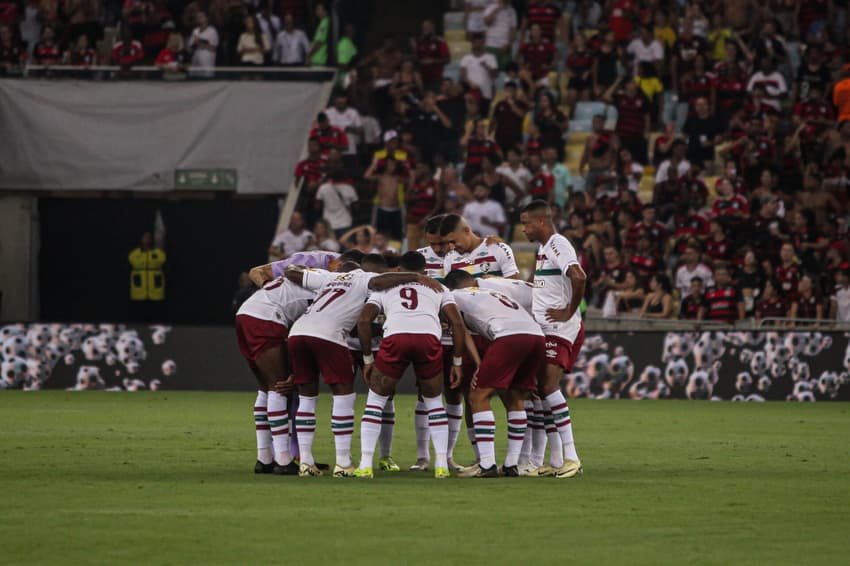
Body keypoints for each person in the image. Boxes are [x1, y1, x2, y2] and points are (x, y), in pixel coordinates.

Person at [283, 257, 441, 477]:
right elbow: (380, 282)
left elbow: (291, 273)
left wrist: (294, 266)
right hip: (330, 335)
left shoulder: (329, 277)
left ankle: (306, 463)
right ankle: (343, 463)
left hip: (298, 333)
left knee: (307, 398)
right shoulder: (365, 278)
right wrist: (416, 276)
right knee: (344, 397)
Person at [355, 251, 467, 479]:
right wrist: (457, 362)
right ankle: (441, 466)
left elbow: (364, 320)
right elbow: (457, 323)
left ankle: (365, 464)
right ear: (425, 271)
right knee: (434, 403)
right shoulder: (439, 287)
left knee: (375, 401)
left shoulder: (384, 287)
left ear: (398, 270)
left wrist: (367, 359)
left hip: (396, 337)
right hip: (428, 339)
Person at [444, 270, 545, 477]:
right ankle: (511, 465)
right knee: (516, 397)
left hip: (508, 336)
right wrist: (482, 365)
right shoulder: (490, 293)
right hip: (536, 336)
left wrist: (478, 365)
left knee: (478, 395)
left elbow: (461, 331)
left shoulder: (453, 297)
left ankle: (487, 464)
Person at [518, 200, 585, 478]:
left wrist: (569, 311)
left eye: (527, 223)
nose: (523, 229)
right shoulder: (544, 249)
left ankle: (572, 456)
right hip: (545, 328)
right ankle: (557, 460)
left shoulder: (558, 244)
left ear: (542, 222)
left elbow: (579, 276)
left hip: (560, 329)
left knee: (547, 386)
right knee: (541, 390)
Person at [235, 274, 314, 475]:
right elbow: (306, 335)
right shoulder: (326, 290)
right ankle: (283, 458)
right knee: (279, 387)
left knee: (265, 388)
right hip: (266, 318)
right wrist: (297, 373)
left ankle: (264, 457)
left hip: (245, 314)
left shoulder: (304, 279)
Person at [440, 213, 520, 280]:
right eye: (447, 243)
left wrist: (497, 281)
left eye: (453, 241)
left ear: (466, 231)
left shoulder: (498, 248)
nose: (451, 247)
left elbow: (516, 284)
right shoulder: (449, 258)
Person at [128, 232, 166, 322]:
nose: (147, 239)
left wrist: (145, 262)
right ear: (141, 239)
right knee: (139, 309)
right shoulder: (135, 252)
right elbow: (134, 262)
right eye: (145, 237)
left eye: (149, 237)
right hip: (140, 285)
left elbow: (160, 261)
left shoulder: (158, 252)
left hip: (155, 285)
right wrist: (148, 262)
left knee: (156, 309)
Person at [406, 161, 443, 250]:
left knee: (429, 250)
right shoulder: (414, 183)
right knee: (412, 250)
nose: (417, 171)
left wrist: (428, 218)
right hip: (413, 222)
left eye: (419, 168)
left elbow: (439, 203)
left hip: (429, 224)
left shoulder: (435, 184)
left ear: (426, 169)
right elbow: (406, 199)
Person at [459, 33, 499, 111]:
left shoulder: (491, 57)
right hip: (470, 94)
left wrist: (487, 67)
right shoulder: (466, 58)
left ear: (483, 44)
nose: (478, 45)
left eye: (480, 43)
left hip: (486, 94)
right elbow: (462, 75)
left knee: (484, 120)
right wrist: (470, 83)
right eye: (475, 42)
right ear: (472, 44)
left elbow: (495, 75)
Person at [316, 171, 358, 239]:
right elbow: (356, 207)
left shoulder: (323, 188)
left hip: (328, 223)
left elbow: (317, 206)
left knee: (329, 248)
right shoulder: (349, 188)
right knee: (345, 248)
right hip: (345, 222)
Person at [412, 20, 450, 89]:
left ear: (433, 28)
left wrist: (433, 61)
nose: (425, 29)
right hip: (422, 78)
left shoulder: (440, 42)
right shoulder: (419, 42)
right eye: (423, 27)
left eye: (427, 27)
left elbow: (447, 59)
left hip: (436, 78)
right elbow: (416, 59)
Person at [483, 0, 517, 70]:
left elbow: (513, 31)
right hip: (491, 45)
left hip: (505, 47)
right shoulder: (490, 8)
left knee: (505, 71)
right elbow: (487, 22)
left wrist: (508, 44)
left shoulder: (512, 11)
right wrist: (497, 9)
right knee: (490, 70)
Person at [188, 12, 218, 77]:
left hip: (207, 63)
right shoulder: (195, 31)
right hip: (196, 63)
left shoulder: (212, 31)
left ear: (207, 18)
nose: (199, 18)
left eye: (201, 16)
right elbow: (190, 47)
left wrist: (200, 42)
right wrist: (195, 43)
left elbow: (213, 48)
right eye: (197, 17)